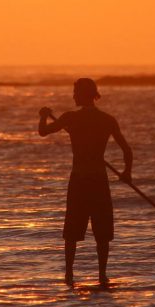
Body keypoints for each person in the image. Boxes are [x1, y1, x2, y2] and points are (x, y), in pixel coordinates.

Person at [38, 78, 133, 286]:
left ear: (82, 94)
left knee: (71, 232)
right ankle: (102, 275)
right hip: (99, 180)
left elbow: (43, 131)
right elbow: (127, 150)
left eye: (75, 92)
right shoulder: (108, 120)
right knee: (102, 233)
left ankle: (69, 275)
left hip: (80, 181)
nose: (72, 96)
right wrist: (127, 172)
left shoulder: (71, 118)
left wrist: (43, 116)